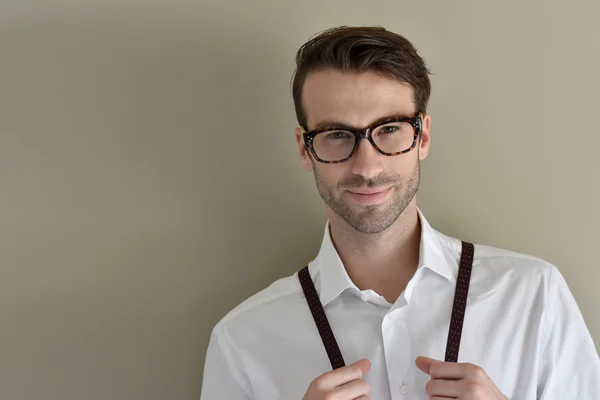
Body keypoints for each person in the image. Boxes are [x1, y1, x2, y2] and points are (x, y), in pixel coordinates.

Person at [200, 26, 600, 400]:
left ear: (422, 136)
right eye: (337, 135)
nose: (367, 167)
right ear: (305, 149)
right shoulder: (241, 340)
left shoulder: (534, 297)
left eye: (389, 129)